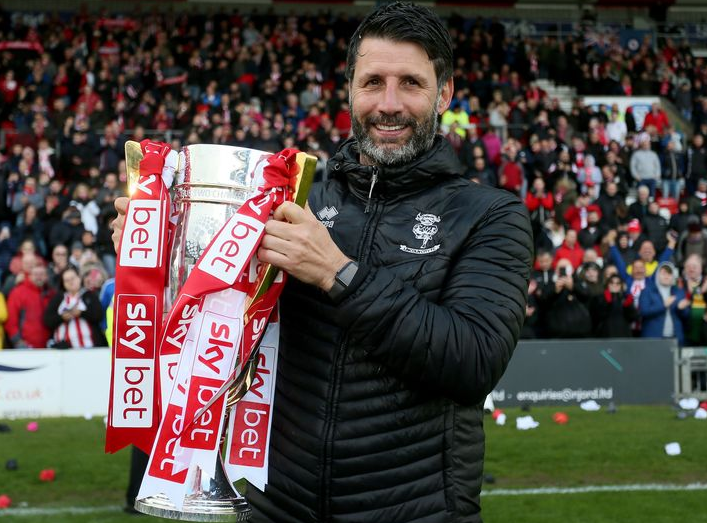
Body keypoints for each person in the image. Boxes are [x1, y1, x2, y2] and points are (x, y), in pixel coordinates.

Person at [113, 4, 532, 522]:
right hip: (275, 506)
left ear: (444, 93)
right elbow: (222, 323)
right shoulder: (297, 196)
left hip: (413, 510)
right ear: (350, 89)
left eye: (411, 84)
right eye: (373, 81)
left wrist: (340, 274)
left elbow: (473, 361)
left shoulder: (489, 214)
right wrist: (166, 249)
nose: (389, 103)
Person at [43, 266, 107, 349]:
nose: (70, 282)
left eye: (72, 278)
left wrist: (82, 313)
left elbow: (98, 315)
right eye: (66, 280)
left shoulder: (89, 295)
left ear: (79, 278)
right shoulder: (58, 298)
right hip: (64, 349)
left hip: (91, 347)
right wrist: (62, 317)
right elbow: (47, 320)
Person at [638, 261, 690, 346]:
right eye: (663, 273)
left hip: (675, 338)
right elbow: (644, 312)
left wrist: (681, 309)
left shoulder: (679, 292)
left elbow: (686, 316)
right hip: (653, 338)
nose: (666, 276)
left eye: (669, 274)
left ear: (673, 276)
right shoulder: (647, 291)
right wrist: (663, 306)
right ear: (657, 275)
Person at [5, 263, 53, 348]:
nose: (39, 277)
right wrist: (17, 341)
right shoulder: (18, 292)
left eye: (42, 274)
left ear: (46, 277)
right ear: (29, 276)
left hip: (48, 346)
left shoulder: (51, 293)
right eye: (35, 274)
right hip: (25, 346)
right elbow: (11, 320)